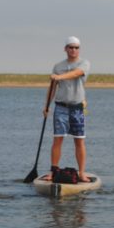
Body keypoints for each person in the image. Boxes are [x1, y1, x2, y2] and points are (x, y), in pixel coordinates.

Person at [45, 36, 91, 182]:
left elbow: (77, 73)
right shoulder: (58, 66)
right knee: (57, 140)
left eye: (76, 47)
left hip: (77, 108)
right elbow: (52, 88)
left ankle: (81, 173)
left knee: (79, 141)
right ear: (65, 49)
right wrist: (46, 106)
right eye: (71, 47)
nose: (73, 50)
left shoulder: (84, 63)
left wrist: (59, 77)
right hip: (61, 107)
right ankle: (53, 172)